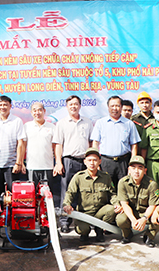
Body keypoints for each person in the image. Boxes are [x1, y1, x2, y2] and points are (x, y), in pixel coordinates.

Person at [53, 95, 94, 233]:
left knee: (85, 192)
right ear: (67, 106)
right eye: (71, 104)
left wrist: (92, 161)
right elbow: (58, 144)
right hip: (68, 161)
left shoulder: (87, 122)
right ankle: (65, 221)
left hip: (85, 161)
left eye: (76, 104)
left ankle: (85, 221)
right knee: (67, 192)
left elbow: (91, 143)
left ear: (80, 106)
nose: (73, 106)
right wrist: (58, 162)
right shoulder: (62, 123)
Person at [62, 148, 119, 242]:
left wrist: (117, 204)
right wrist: (67, 204)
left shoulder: (106, 177)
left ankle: (99, 230)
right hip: (84, 213)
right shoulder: (78, 177)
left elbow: (112, 194)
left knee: (111, 209)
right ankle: (85, 233)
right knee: (82, 229)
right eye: (89, 160)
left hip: (99, 212)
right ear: (85, 162)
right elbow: (70, 193)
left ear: (100, 161)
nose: (92, 163)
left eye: (95, 160)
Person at [91, 95, 141, 188]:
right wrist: (96, 161)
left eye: (117, 106)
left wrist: (132, 164)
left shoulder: (129, 124)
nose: (115, 108)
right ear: (108, 107)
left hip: (123, 161)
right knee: (105, 187)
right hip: (106, 162)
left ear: (121, 107)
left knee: (124, 187)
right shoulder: (101, 123)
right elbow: (95, 143)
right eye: (112, 106)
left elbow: (134, 145)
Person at [116, 155, 159, 247]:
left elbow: (152, 205)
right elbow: (124, 204)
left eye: (140, 168)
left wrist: (144, 218)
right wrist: (133, 220)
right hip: (132, 212)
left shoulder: (152, 184)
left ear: (145, 170)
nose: (136, 171)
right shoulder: (123, 182)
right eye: (133, 168)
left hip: (146, 213)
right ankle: (127, 234)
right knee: (120, 219)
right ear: (129, 170)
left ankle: (149, 237)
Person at [23, 102, 61, 207]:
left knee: (47, 195)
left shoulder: (52, 127)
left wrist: (58, 163)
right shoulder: (27, 126)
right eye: (34, 110)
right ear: (31, 112)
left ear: (44, 111)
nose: (37, 112)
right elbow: (22, 145)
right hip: (31, 167)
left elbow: (56, 146)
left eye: (40, 110)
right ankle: (34, 217)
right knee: (32, 195)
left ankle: (47, 218)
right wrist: (21, 162)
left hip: (47, 167)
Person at [0, 95, 27, 199]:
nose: (3, 107)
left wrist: (18, 163)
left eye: (5, 105)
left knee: (13, 195)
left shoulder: (17, 121)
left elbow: (21, 143)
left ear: (10, 106)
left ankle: (12, 215)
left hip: (12, 165)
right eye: (0, 105)